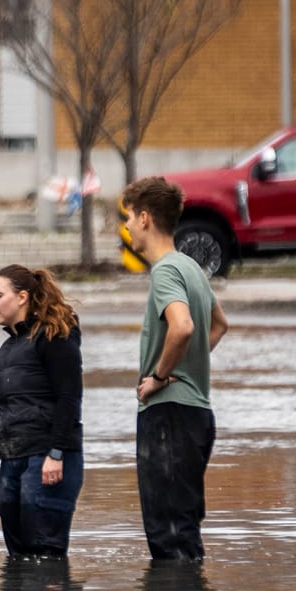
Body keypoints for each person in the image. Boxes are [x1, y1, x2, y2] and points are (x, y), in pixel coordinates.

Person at [120, 176, 229, 561]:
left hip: (168, 416)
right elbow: (219, 325)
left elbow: (182, 327)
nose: (127, 226)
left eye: (129, 217)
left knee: (167, 536)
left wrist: (160, 376)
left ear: (145, 218)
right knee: (184, 531)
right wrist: (189, 363)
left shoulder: (166, 270)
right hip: (196, 414)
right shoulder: (191, 267)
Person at [0, 264, 84, 560]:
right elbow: (5, 417)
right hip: (13, 460)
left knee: (44, 555)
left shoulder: (54, 336)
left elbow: (69, 399)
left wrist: (56, 454)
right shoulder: (7, 350)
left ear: (22, 297)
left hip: (48, 459)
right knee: (18, 557)